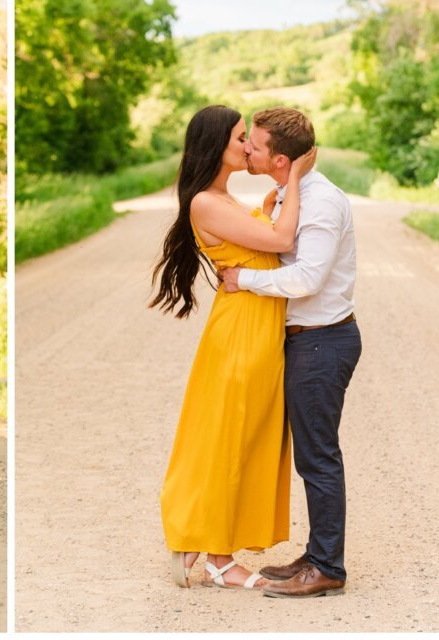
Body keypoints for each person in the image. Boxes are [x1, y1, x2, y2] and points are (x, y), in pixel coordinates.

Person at [150, 104, 316, 590]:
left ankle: (207, 547)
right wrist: (298, 178)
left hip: (260, 326)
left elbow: (260, 241)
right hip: (242, 333)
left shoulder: (224, 197)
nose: (248, 146)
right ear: (217, 145)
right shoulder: (204, 201)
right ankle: (217, 559)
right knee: (230, 437)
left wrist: (267, 205)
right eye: (241, 137)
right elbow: (282, 237)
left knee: (249, 436)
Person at [220, 107, 360, 598]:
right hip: (304, 339)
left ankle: (328, 568)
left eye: (254, 146)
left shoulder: (321, 204)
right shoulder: (287, 194)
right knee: (309, 456)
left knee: (319, 457)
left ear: (280, 158)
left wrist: (244, 280)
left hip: (323, 340)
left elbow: (307, 279)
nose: (247, 151)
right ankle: (316, 554)